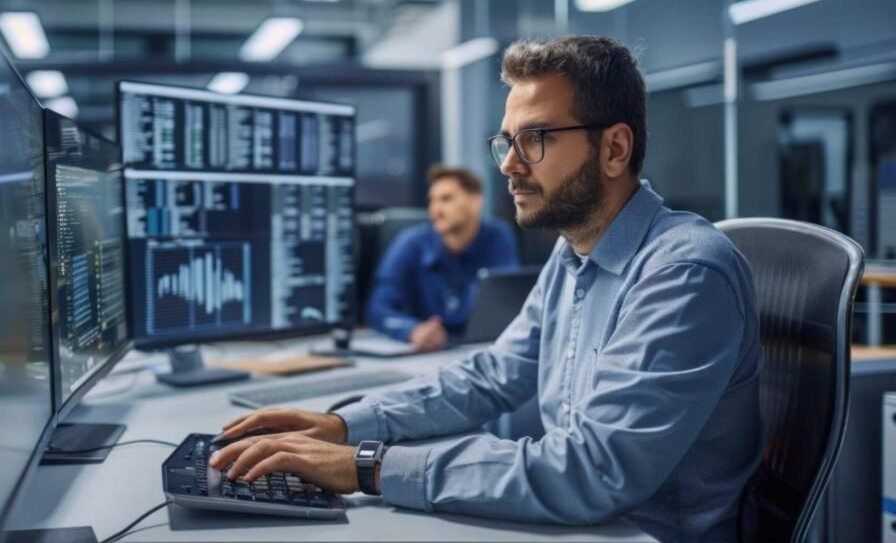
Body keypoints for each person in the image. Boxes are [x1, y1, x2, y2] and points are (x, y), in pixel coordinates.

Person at [209, 36, 763, 543]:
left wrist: (367, 465)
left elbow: (592, 471)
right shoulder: (575, 251)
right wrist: (346, 424)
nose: (511, 166)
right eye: (507, 143)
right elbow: (492, 377)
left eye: (536, 139)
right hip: (584, 525)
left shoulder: (684, 273)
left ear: (615, 150)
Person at [366, 165, 519, 352]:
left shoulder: (497, 236)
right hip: (428, 351)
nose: (435, 210)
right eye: (432, 201)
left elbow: (504, 303)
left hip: (479, 347)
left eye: (447, 199)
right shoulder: (410, 242)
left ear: (475, 201)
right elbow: (377, 308)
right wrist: (412, 330)